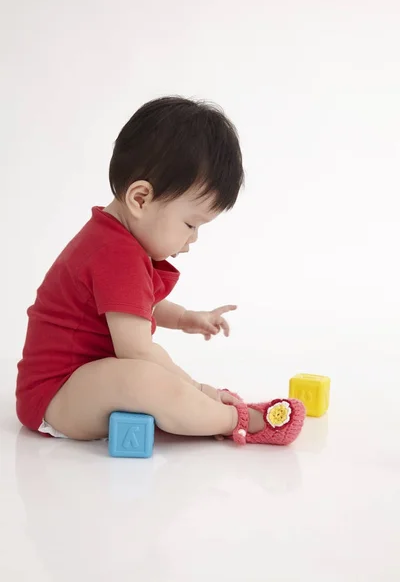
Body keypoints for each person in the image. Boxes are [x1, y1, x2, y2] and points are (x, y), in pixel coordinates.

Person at [16, 97, 305, 445]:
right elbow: (136, 350)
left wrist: (184, 318)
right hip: (57, 396)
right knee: (144, 377)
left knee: (144, 377)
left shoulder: (113, 240)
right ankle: (235, 419)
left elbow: (129, 307)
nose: (193, 238)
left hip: (75, 388)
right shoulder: (115, 253)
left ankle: (201, 410)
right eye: (190, 224)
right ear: (140, 199)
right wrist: (196, 388)